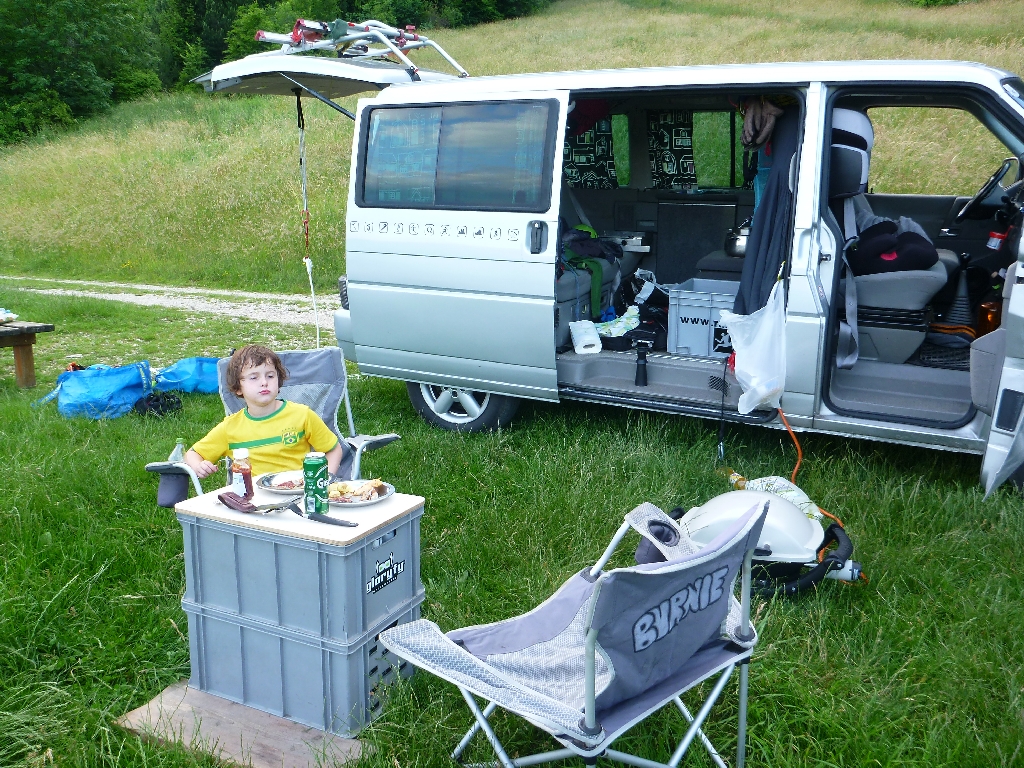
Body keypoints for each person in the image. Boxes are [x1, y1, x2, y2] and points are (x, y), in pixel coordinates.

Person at [184, 344, 343, 478]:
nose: (264, 382)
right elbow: (192, 454)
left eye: (270, 376)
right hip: (254, 502)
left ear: (278, 380)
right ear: (239, 388)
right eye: (254, 378)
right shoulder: (230, 428)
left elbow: (333, 449)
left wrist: (323, 480)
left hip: (298, 495)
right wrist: (199, 466)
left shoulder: (302, 415)